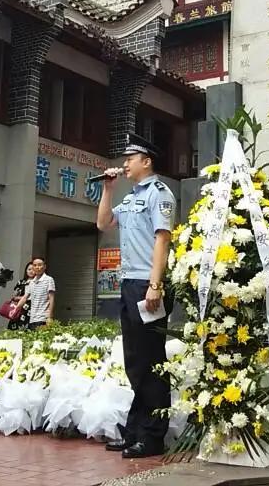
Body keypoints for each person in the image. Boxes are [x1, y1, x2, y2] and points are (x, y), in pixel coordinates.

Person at [96, 132, 176, 459]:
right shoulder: (130, 197)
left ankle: (153, 436)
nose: (124, 163)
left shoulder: (160, 193)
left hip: (148, 283)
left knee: (151, 361)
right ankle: (135, 431)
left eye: (130, 158)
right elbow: (103, 223)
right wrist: (107, 189)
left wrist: (156, 284)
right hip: (129, 285)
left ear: (147, 161)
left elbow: (163, 239)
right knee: (135, 362)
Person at [26, 256, 55, 329]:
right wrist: (15, 309)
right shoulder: (31, 282)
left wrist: (50, 317)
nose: (37, 267)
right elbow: (24, 297)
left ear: (44, 266)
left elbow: (51, 299)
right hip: (32, 319)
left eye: (39, 265)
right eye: (35, 265)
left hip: (43, 318)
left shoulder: (49, 279)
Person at [6, 261, 34, 331]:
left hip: (31, 309)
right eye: (29, 269)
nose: (31, 271)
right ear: (26, 271)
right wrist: (19, 298)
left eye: (33, 269)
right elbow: (14, 296)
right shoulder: (20, 282)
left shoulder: (37, 282)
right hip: (19, 309)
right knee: (15, 328)